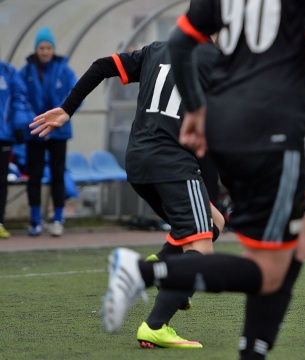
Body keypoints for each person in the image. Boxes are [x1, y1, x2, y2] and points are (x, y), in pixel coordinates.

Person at [99, 1, 305, 359]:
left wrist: (198, 109)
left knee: (298, 243)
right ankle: (142, 272)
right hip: (272, 133)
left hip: (225, 128)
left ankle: (252, 352)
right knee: (267, 271)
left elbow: (181, 42)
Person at [30, 39, 226, 348]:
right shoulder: (220, 61)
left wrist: (68, 109)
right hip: (172, 164)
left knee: (214, 222)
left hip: (137, 162)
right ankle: (155, 324)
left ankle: (151, 269)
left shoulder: (157, 49)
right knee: (201, 252)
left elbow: (101, 66)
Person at [19, 27, 77, 237]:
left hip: (59, 133)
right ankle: (35, 220)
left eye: (49, 47)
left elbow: (76, 95)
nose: (45, 51)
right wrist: (37, 122)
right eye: (42, 47)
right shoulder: (25, 72)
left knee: (57, 174)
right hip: (35, 131)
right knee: (33, 176)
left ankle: (58, 219)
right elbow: (20, 99)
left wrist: (58, 120)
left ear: (53, 49)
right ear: (36, 49)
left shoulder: (65, 71)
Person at [0, 56, 33, 239]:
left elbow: (19, 98)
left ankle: (0, 222)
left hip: (3, 136)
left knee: (1, 181)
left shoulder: (7, 71)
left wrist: (19, 125)